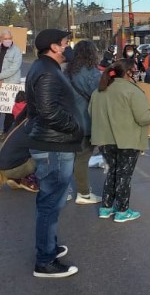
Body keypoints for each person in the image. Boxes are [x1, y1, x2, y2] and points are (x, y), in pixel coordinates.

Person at [26, 29, 83, 278]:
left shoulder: (45, 68)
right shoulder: (47, 72)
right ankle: (45, 261)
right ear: (54, 47)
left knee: (52, 202)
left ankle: (48, 246)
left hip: (54, 145)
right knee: (50, 203)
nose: (68, 46)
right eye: (65, 42)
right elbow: (48, 112)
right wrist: (74, 127)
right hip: (54, 147)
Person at [89, 59, 150, 223]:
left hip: (104, 140)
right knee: (124, 175)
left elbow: (91, 112)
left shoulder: (99, 90)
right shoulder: (132, 91)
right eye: (135, 70)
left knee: (112, 172)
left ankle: (106, 206)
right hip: (127, 139)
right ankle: (122, 210)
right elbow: (142, 117)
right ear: (128, 72)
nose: (137, 73)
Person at [65, 40, 103, 204]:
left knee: (67, 158)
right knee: (82, 158)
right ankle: (83, 193)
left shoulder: (67, 71)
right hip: (86, 121)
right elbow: (99, 96)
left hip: (68, 121)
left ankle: (64, 190)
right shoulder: (92, 73)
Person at [0, 29, 23, 139]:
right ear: (1, 39)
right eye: (5, 39)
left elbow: (14, 68)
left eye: (9, 38)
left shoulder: (16, 51)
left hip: (11, 83)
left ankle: (7, 132)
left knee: (10, 110)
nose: (8, 41)